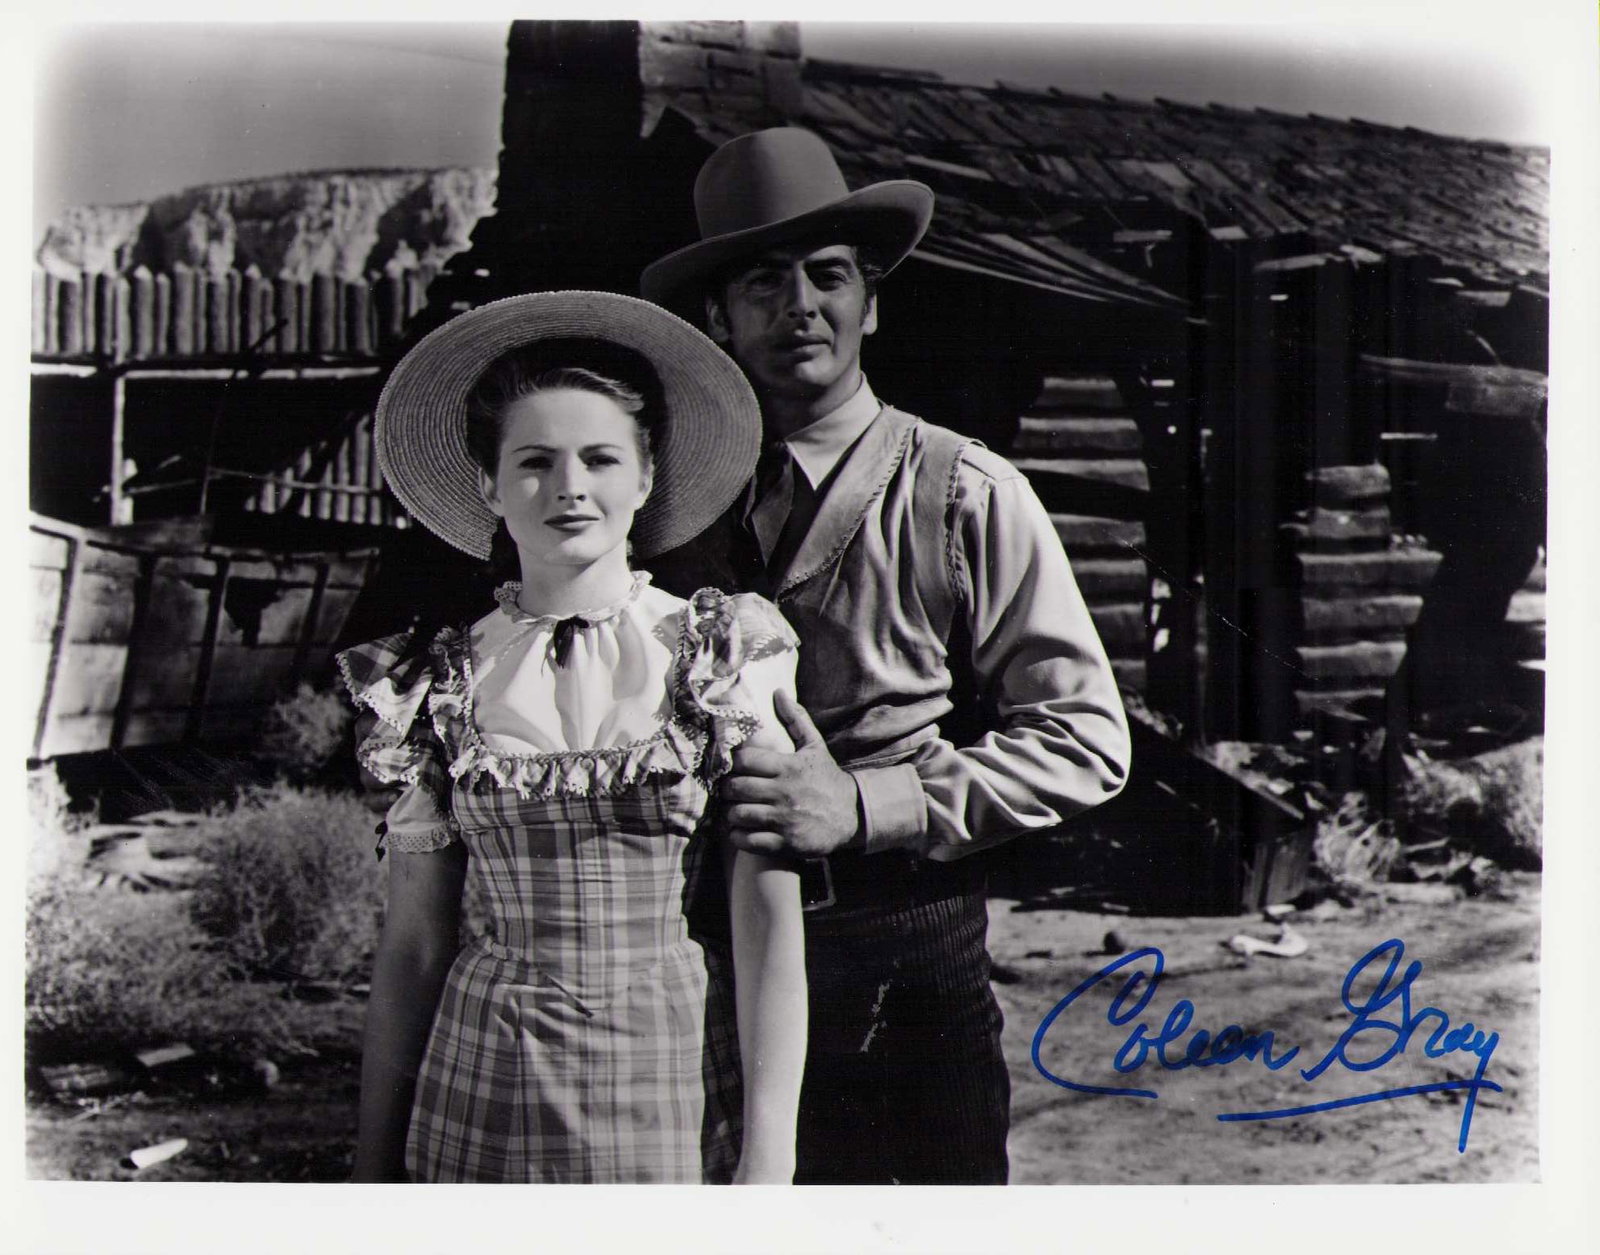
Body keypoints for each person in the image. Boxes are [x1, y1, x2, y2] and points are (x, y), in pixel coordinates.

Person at [641, 128, 1133, 1185]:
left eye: (829, 277)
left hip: (900, 945)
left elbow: (1087, 738)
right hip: (691, 959)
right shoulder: (656, 499)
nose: (800, 307)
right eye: (764, 282)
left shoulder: (962, 490)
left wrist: (866, 804)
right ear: (715, 316)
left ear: (874, 302)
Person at [340, 290, 807, 1184]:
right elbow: (411, 946)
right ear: (488, 484)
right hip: (481, 1076)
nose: (568, 487)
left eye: (599, 458)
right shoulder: (435, 677)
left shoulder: (721, 652)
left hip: (665, 1070)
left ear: (644, 476)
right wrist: (371, 1166)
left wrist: (770, 1157)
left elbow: (766, 920)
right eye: (534, 461)